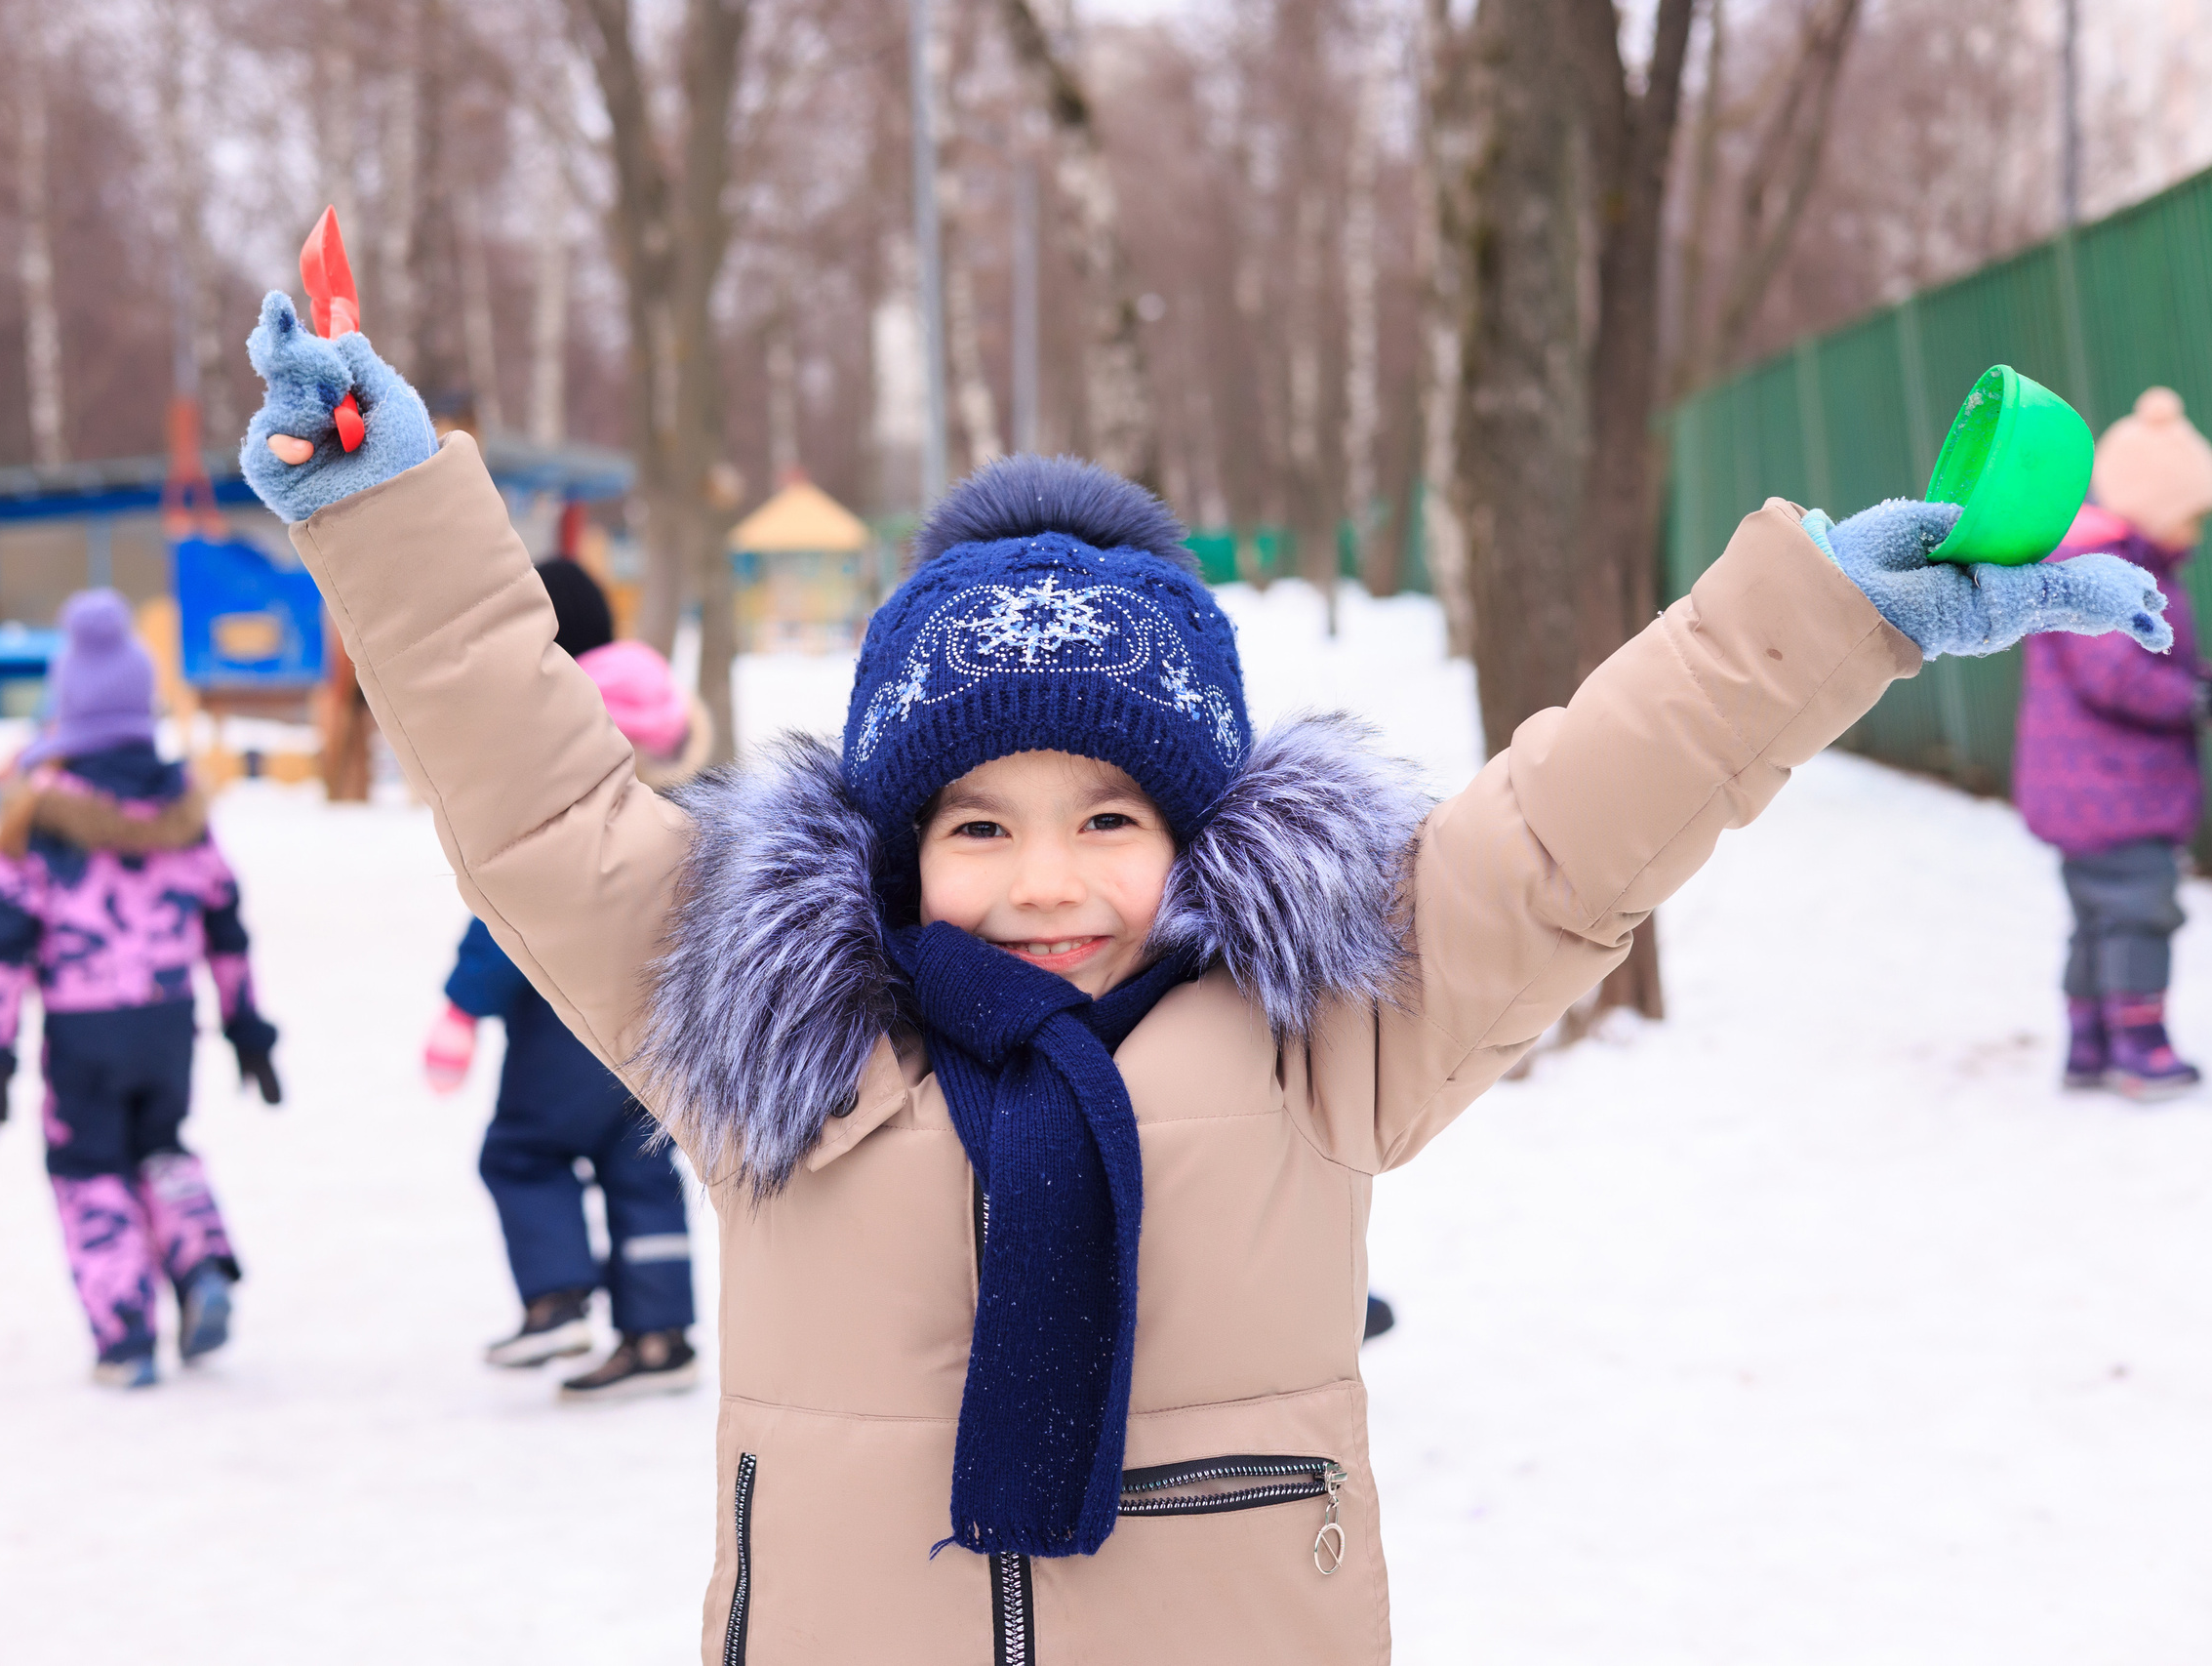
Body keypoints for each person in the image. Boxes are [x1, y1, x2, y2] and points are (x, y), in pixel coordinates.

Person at [239, 291, 2164, 1664]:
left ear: (1194, 829)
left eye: (1106, 816)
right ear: (899, 844)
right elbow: (537, 799)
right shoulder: (770, 1037)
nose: (1044, 879)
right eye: (975, 824)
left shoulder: (1326, 1027)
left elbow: (1576, 828)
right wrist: (385, 511)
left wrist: (1825, 617)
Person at [0, 590, 283, 1389]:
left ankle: (126, 1334)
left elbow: (4, 944)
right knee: (162, 1145)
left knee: (88, 1169)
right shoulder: (181, 807)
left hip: (82, 1032)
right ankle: (199, 1259)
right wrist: (246, 1025)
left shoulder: (36, 815)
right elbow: (224, 921)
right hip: (169, 1022)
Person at [422, 557, 710, 1399]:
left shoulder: (562, 784)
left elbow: (510, 915)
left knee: (521, 1152)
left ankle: (556, 1300)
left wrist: (459, 1008)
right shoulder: (678, 796)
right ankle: (660, 1335)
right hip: (660, 1029)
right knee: (639, 1165)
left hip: (566, 1024)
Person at [2015, 387, 2212, 1101]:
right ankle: (2139, 1043)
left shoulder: (2103, 560)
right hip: (2114, 791)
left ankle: (2090, 1042)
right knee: (2139, 910)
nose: (2195, 530)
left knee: (2097, 920)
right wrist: (2189, 698)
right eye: (2191, 513)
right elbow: (2114, 672)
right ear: (2156, 504)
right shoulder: (2103, 569)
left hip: (2087, 789)